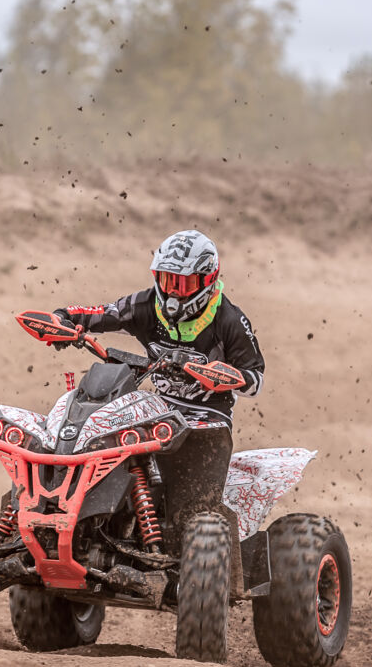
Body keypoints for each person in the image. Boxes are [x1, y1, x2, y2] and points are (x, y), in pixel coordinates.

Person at [52, 229, 264, 581]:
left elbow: (255, 377)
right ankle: (83, 520)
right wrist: (65, 318)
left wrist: (224, 376)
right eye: (167, 280)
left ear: (207, 280)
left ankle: (190, 553)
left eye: (183, 283)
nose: (173, 291)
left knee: (191, 511)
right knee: (98, 428)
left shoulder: (228, 319)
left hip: (206, 418)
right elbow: (101, 313)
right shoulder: (147, 304)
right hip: (158, 407)